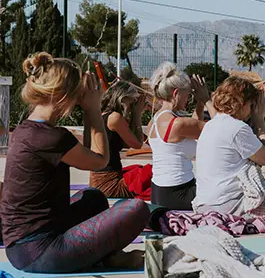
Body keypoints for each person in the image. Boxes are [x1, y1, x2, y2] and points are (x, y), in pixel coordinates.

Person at [0, 53, 149, 274]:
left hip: (22, 248)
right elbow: (100, 161)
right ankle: (108, 258)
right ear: (64, 95)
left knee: (93, 197)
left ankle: (108, 257)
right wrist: (93, 109)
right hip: (42, 252)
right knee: (136, 208)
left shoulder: (25, 130)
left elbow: (90, 153)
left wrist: (92, 112)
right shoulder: (53, 137)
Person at [193, 76, 265, 223]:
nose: (251, 111)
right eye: (251, 105)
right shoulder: (237, 128)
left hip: (206, 204)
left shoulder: (212, 124)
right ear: (242, 104)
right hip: (230, 204)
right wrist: (259, 120)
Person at [148, 62, 215, 210]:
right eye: (188, 94)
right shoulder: (177, 124)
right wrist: (206, 99)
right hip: (179, 195)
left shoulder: (154, 121)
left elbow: (192, 126)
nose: (188, 98)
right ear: (176, 93)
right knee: (234, 188)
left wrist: (199, 104)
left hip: (159, 194)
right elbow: (222, 129)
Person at [89, 80, 152, 199]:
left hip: (99, 180)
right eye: (132, 102)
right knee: (152, 172)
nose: (133, 105)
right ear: (123, 99)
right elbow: (137, 144)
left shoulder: (103, 115)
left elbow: (129, 142)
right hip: (109, 183)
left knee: (139, 169)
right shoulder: (115, 118)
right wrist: (138, 115)